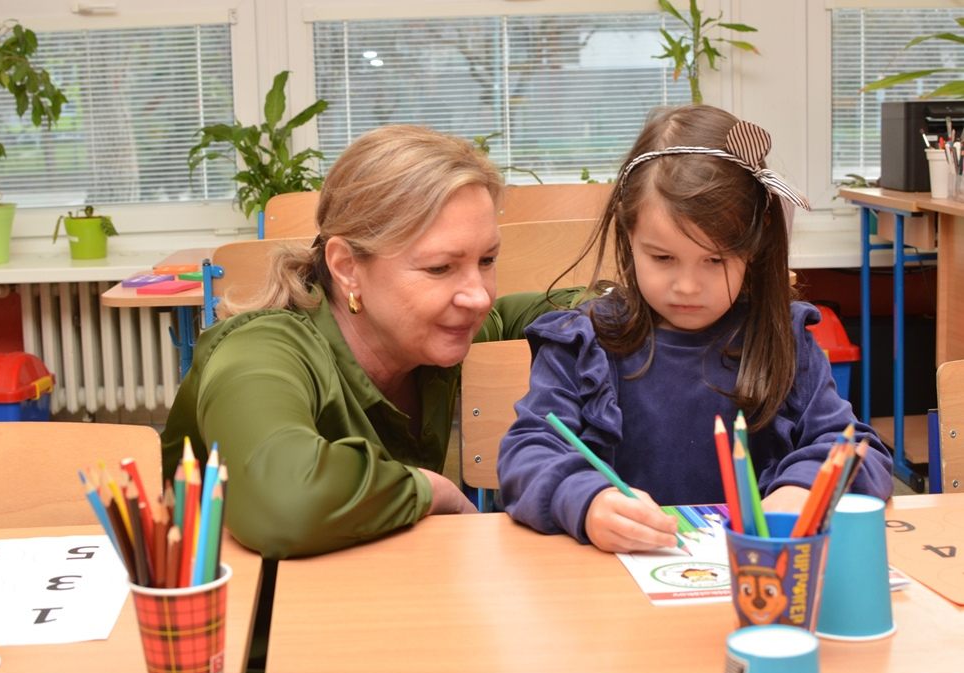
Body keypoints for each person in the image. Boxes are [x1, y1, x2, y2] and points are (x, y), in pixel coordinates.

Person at [161, 124, 580, 561]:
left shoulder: (433, 339)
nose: (478, 296)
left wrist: (615, 311)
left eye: (487, 259)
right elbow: (285, 498)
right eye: (439, 268)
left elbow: (538, 312)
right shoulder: (259, 352)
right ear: (347, 267)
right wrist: (430, 490)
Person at [496, 104, 894, 554]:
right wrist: (587, 502)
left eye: (715, 260)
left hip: (756, 575)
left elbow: (856, 449)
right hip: (614, 582)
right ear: (628, 234)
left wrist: (804, 490)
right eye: (663, 258)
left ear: (754, 245)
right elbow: (526, 455)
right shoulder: (580, 342)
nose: (687, 286)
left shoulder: (784, 338)